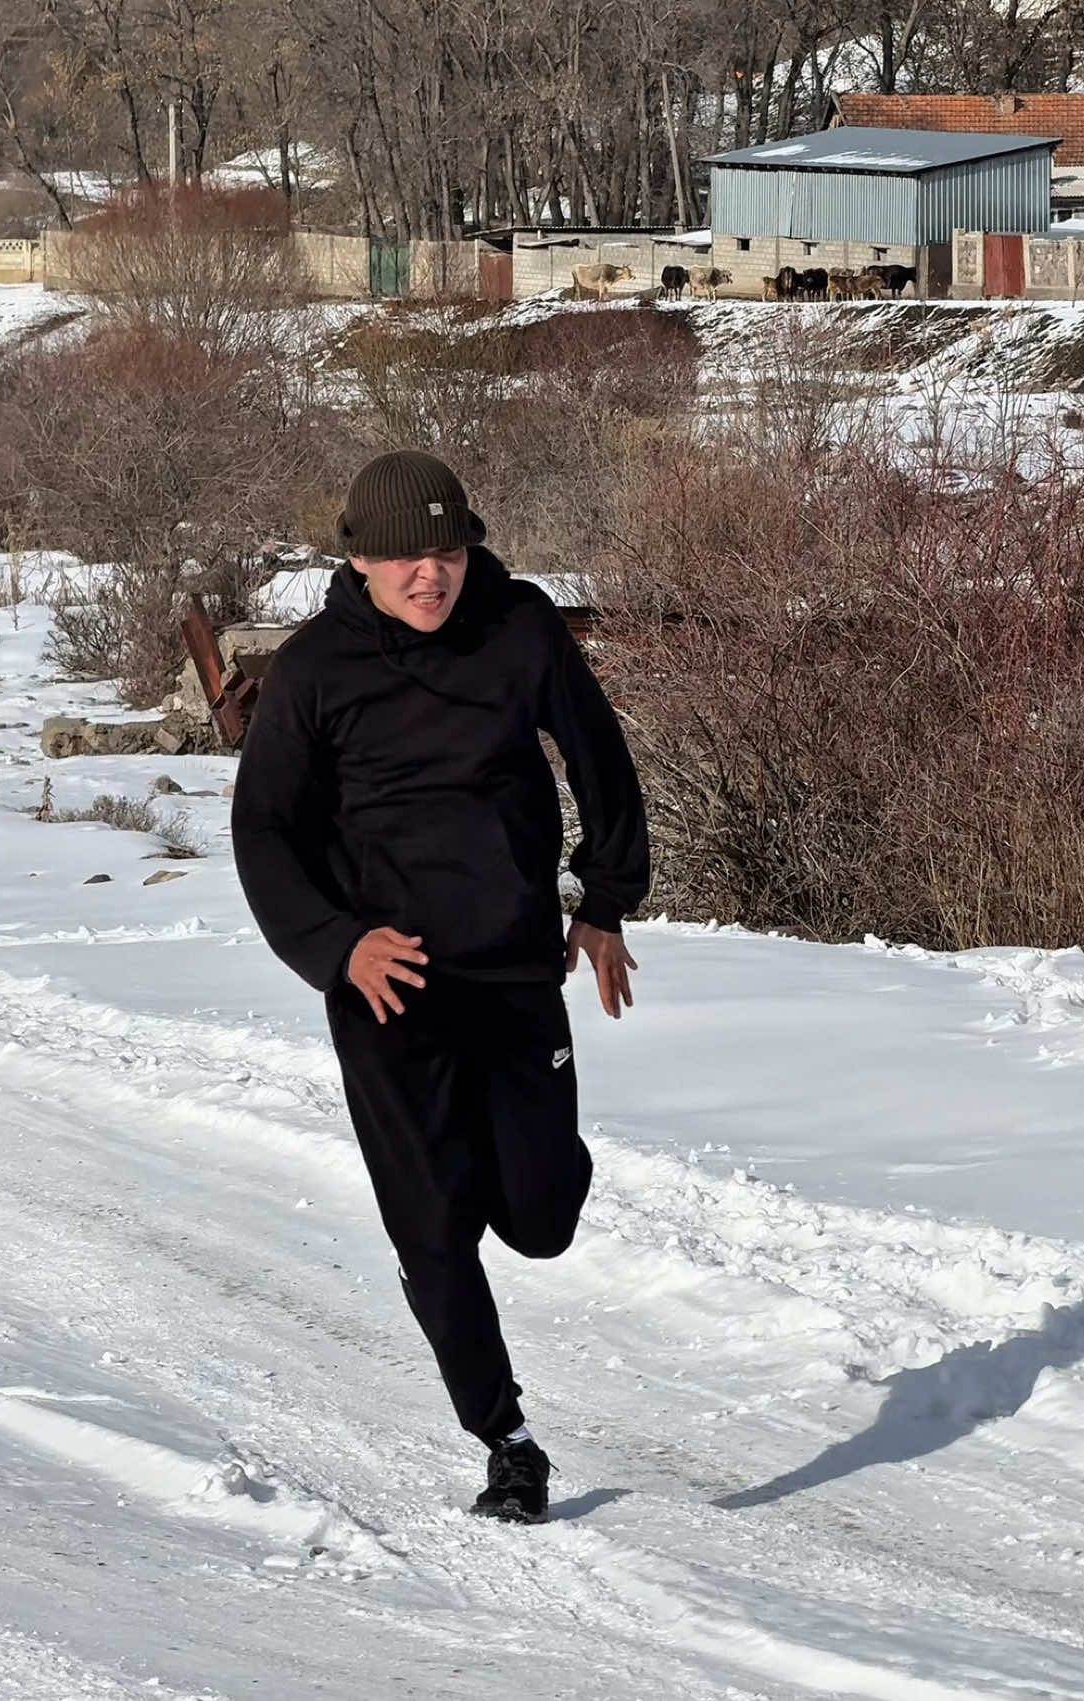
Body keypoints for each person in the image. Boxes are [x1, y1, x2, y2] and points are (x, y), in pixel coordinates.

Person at [231, 449, 649, 1524]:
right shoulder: (314, 670)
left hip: (512, 968)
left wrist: (604, 900)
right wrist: (336, 946)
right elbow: (264, 830)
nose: (432, 575)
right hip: (387, 988)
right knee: (430, 1224)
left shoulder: (521, 628)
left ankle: (531, 1167)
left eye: (449, 551)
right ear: (359, 561)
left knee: (540, 1220)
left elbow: (600, 759)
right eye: (406, 557)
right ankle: (507, 1441)